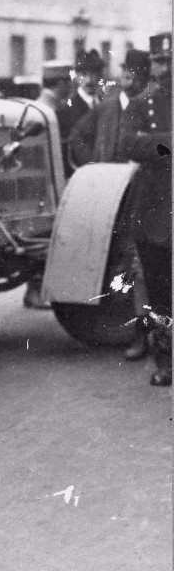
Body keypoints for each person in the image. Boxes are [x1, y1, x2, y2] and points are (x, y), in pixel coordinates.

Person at [66, 49, 153, 358]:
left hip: (149, 195)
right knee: (129, 263)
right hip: (113, 200)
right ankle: (140, 336)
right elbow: (77, 136)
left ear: (144, 78)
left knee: (148, 265)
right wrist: (96, 170)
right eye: (125, 72)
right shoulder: (107, 109)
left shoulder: (154, 109)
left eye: (134, 74)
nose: (128, 78)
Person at [118, 33, 172, 387]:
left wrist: (156, 142)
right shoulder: (139, 103)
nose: (164, 68)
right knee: (158, 292)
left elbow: (143, 143)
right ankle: (165, 360)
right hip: (155, 210)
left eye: (169, 61)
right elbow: (128, 144)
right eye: (158, 61)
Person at [56, 49, 105, 177]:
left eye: (94, 75)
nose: (89, 80)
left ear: (100, 77)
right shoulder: (66, 110)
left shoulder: (106, 105)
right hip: (79, 177)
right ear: (76, 77)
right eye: (84, 74)